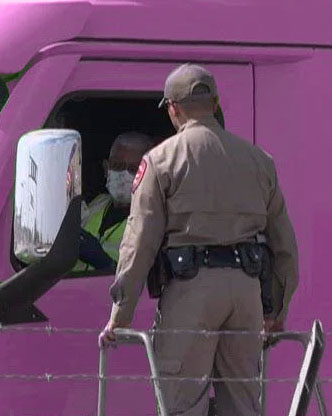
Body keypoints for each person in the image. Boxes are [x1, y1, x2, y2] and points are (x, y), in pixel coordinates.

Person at [99, 64, 299, 415]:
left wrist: (122, 313)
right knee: (242, 404)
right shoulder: (259, 161)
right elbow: (284, 246)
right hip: (245, 294)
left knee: (182, 403)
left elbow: (139, 242)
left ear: (173, 108)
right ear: (216, 102)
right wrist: (276, 311)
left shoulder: (161, 161)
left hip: (191, 292)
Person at [76, 132, 155, 272]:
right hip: (68, 291)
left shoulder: (153, 222)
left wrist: (105, 263)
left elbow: (141, 282)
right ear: (107, 168)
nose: (124, 175)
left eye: (133, 169)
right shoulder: (96, 204)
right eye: (117, 166)